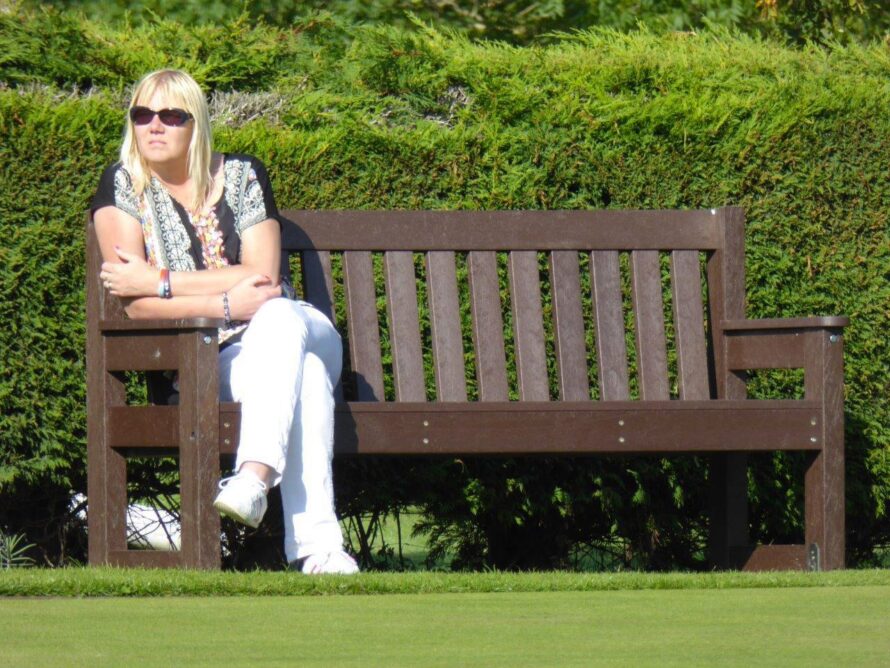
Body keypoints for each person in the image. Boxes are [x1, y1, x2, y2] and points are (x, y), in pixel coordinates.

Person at [91, 69, 358, 575]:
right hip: (214, 357)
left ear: (197, 124)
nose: (154, 126)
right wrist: (224, 304)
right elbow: (134, 302)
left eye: (171, 116)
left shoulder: (242, 175)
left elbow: (263, 280)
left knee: (280, 315)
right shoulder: (122, 185)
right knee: (306, 381)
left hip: (299, 328)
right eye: (142, 114)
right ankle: (318, 549)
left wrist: (161, 279)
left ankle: (253, 477)